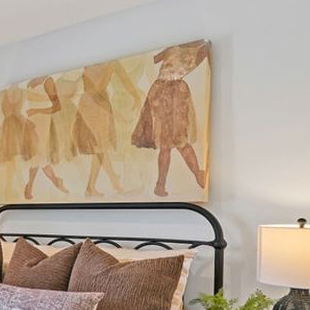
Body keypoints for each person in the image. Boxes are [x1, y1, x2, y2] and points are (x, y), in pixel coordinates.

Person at [131, 40, 209, 197]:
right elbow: (155, 59)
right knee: (174, 141)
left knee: (172, 141)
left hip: (167, 92)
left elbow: (155, 59)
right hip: (170, 94)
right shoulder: (197, 48)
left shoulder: (198, 48)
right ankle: (193, 175)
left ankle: (163, 183)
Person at [72, 62, 142, 196]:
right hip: (97, 104)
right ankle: (95, 186)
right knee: (100, 148)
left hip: (87, 103)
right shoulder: (110, 62)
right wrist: (136, 96)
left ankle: (112, 181)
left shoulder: (89, 62)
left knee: (100, 148)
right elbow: (124, 80)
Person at [21, 75, 73, 199]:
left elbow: (57, 106)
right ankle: (55, 182)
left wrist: (37, 111)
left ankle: (35, 187)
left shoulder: (48, 81)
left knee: (39, 156)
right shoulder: (30, 81)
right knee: (37, 156)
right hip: (32, 123)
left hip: (43, 122)